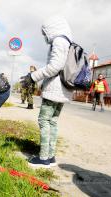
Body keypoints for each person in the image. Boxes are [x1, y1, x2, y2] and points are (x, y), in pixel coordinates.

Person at [23, 16, 73, 168]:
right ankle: (50, 156)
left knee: (44, 121)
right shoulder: (67, 42)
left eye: (45, 32)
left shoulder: (59, 41)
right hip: (64, 90)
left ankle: (43, 157)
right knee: (53, 122)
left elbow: (54, 66)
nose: (44, 36)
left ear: (52, 29)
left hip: (54, 89)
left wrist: (33, 76)